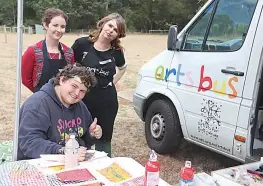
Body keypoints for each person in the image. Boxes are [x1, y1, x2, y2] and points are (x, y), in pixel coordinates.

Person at [18, 64, 102, 161]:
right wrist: (63, 151)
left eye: (82, 91)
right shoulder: (38, 104)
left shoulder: (80, 106)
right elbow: (29, 143)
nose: (77, 93)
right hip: (37, 165)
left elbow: (83, 141)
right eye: (74, 86)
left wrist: (91, 134)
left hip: (71, 163)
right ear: (62, 80)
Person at [71, 13, 127, 157]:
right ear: (102, 23)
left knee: (103, 138)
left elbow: (122, 67)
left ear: (117, 35)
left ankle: (104, 167)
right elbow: (69, 67)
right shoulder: (82, 44)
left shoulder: (117, 52)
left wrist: (112, 82)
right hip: (82, 101)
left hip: (107, 103)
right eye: (110, 25)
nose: (111, 31)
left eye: (115, 30)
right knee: (80, 137)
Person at [22, 8, 74, 92]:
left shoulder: (68, 52)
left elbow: (70, 78)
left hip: (62, 102)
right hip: (41, 100)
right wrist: (40, 94)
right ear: (45, 25)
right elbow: (26, 80)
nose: (59, 30)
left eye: (62, 26)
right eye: (55, 25)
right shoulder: (33, 51)